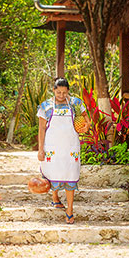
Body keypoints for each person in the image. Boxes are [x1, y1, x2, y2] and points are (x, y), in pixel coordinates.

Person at [37, 77, 91, 224]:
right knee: (53, 172)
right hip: (52, 147)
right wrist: (40, 149)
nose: (61, 95)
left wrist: (86, 126)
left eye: (64, 92)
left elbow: (87, 119)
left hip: (71, 146)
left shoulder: (75, 103)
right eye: (58, 92)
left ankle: (70, 211)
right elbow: (41, 129)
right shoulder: (45, 106)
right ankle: (55, 198)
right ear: (53, 90)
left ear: (68, 91)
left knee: (70, 175)